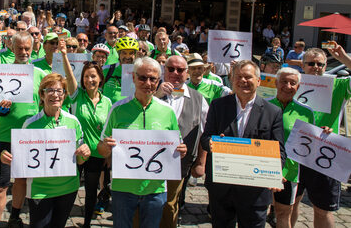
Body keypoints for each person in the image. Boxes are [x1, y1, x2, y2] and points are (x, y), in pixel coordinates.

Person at [97, 57, 187, 228]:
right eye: (142, 78)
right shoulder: (117, 109)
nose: (148, 83)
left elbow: (178, 146)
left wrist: (181, 150)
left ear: (158, 81)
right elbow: (101, 149)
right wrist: (106, 147)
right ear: (133, 78)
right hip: (123, 188)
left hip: (155, 189)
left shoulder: (167, 111)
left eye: (153, 79)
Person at [200, 60, 285, 227]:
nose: (243, 81)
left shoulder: (272, 112)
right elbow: (205, 138)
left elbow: (279, 150)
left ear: (258, 81)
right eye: (238, 77)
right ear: (232, 80)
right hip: (222, 188)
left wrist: (276, 170)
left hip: (255, 190)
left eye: (248, 77)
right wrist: (210, 143)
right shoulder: (218, 106)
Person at [0, 73, 91, 228]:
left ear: (64, 95)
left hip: (68, 188)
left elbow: (79, 161)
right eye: (50, 90)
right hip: (40, 191)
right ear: (42, 95)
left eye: (59, 91)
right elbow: (21, 163)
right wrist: (7, 158)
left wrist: (84, 154)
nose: (55, 95)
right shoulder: (30, 124)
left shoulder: (73, 121)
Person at [0, 31, 46, 228]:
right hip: (4, 135)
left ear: (32, 48)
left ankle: (14, 216)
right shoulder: (2, 72)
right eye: (19, 48)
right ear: (11, 48)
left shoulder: (40, 75)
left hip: (28, 136)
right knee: (0, 185)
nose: (23, 52)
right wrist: (0, 109)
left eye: (27, 48)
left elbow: (44, 105)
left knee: (21, 180)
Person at [297, 44, 351, 228]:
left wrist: (344, 59)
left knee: (322, 209)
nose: (315, 68)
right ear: (302, 66)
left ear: (326, 66)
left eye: (320, 64)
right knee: (290, 204)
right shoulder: (292, 83)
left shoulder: (338, 84)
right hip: (297, 150)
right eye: (311, 64)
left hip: (326, 151)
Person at [62, 41, 112, 228]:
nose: (89, 80)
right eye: (85, 77)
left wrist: (109, 154)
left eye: (93, 76)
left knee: (91, 192)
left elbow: (108, 132)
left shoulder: (107, 102)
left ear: (100, 79)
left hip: (96, 155)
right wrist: (65, 56)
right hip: (74, 153)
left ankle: (87, 224)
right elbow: (68, 76)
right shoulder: (77, 96)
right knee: (69, 189)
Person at [154, 56, 208, 228]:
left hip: (179, 162)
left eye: (180, 70)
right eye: (171, 69)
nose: (175, 73)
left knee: (169, 204)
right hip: (150, 159)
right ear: (164, 70)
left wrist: (201, 162)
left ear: (187, 73)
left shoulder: (199, 99)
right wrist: (156, 94)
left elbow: (205, 133)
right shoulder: (150, 91)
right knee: (147, 202)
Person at [268, 68, 314, 228]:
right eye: (284, 82)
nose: (288, 86)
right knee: (255, 211)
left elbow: (309, 144)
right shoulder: (263, 105)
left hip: (290, 171)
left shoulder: (307, 112)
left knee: (283, 213)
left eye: (293, 83)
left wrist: (324, 133)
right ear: (276, 83)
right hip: (262, 167)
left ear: (298, 87)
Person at [103, 37, 138, 103]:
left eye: (131, 53)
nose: (127, 57)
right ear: (119, 54)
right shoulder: (107, 70)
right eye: (124, 53)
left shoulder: (138, 72)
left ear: (135, 55)